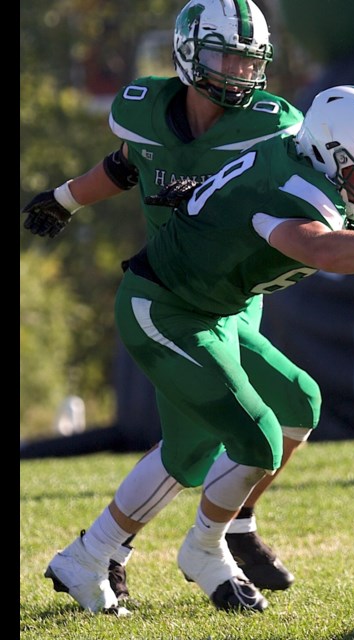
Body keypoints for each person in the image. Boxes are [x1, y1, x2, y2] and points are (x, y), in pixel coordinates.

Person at [40, 84, 354, 615]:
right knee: (253, 435)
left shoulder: (329, 167)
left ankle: (99, 554)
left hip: (210, 310)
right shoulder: (287, 184)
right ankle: (197, 548)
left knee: (293, 404)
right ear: (329, 154)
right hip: (163, 308)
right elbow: (321, 249)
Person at [21, 0, 308, 601]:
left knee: (291, 406)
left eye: (247, 58)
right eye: (224, 55)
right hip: (175, 293)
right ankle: (118, 552)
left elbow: (282, 185)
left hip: (232, 295)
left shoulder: (269, 122)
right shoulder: (148, 110)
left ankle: (229, 529)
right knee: (200, 441)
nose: (236, 70)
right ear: (188, 54)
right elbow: (126, 166)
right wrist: (67, 199)